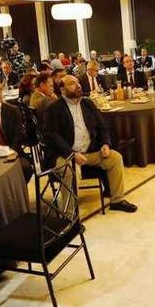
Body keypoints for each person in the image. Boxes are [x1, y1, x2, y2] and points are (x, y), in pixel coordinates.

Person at [42, 75, 136, 213]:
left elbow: (102, 126)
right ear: (62, 89)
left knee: (115, 158)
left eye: (78, 82)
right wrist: (71, 154)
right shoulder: (54, 109)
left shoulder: (88, 104)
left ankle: (117, 200)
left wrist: (105, 144)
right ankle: (70, 215)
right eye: (72, 83)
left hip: (90, 152)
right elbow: (51, 136)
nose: (78, 85)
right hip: (66, 154)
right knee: (69, 170)